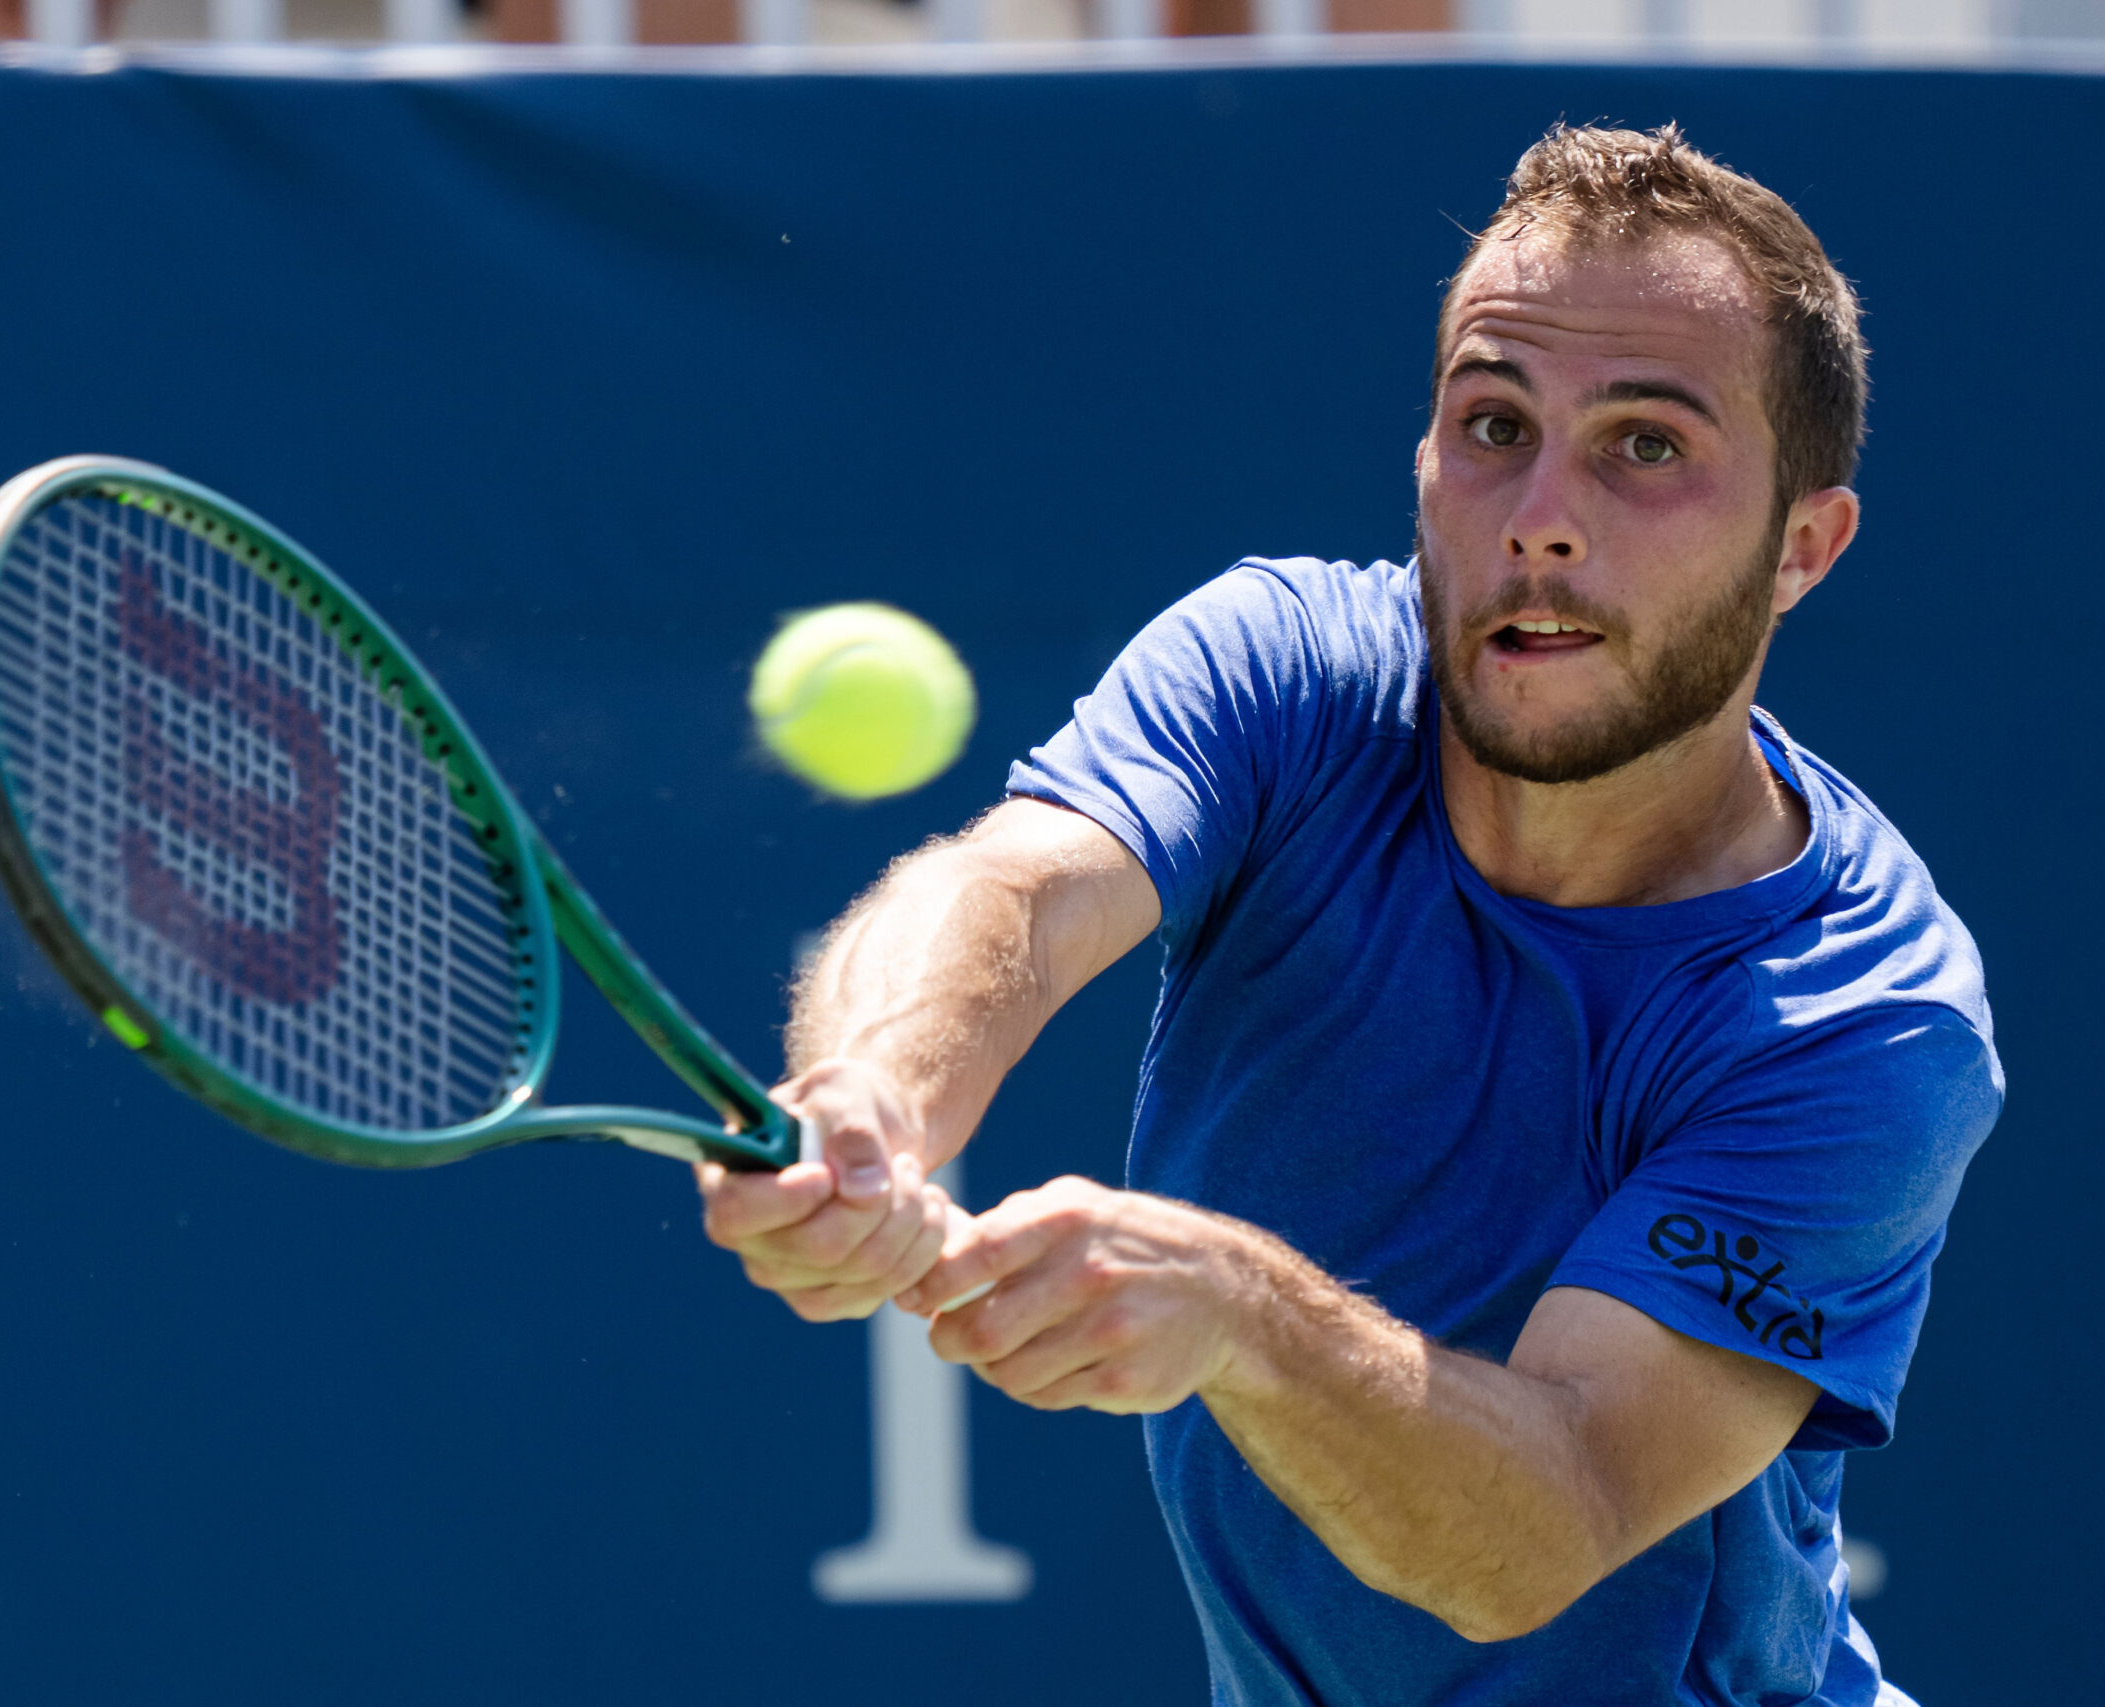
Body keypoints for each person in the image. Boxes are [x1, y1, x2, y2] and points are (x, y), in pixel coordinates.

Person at [698, 122, 2000, 1707]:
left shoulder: (1864, 1019)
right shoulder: (1287, 673)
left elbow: (1546, 1521)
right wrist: (875, 1099)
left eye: (1645, 447)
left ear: (1803, 547)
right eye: (1491, 423)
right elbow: (1016, 891)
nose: (1541, 514)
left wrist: (1241, 1312)